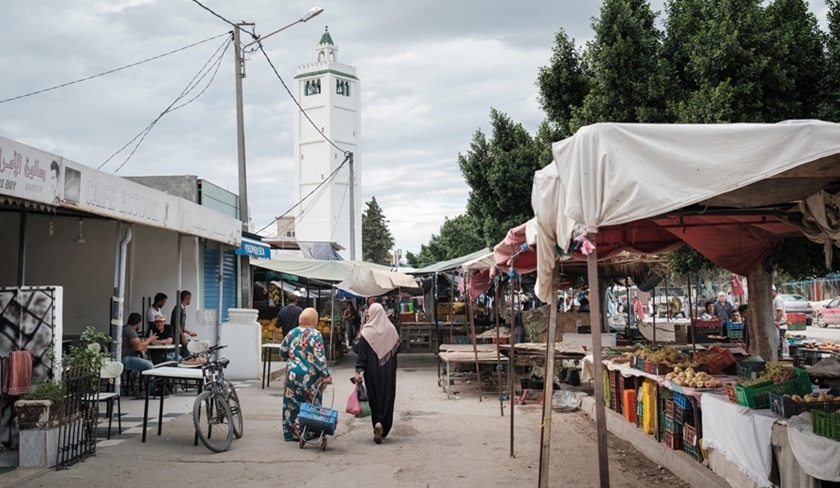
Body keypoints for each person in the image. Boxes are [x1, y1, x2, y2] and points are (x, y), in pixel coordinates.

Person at [278, 307, 332, 441]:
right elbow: (320, 357)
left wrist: (292, 356)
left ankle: (291, 433)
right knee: (310, 404)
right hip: (310, 377)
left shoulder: (292, 333)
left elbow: (281, 351)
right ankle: (308, 431)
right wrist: (326, 375)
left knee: (292, 404)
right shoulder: (316, 334)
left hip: (292, 375)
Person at [354, 303, 401, 444]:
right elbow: (398, 348)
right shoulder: (391, 329)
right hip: (388, 371)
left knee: (374, 396)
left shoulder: (366, 332)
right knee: (387, 395)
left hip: (372, 371)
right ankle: (383, 424)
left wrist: (358, 371)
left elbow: (361, 355)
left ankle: (376, 422)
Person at [170, 290, 197, 357]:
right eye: (190, 299)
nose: (190, 301)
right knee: (186, 355)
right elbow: (176, 324)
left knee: (186, 354)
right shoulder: (178, 309)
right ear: (187, 298)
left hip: (180, 337)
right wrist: (183, 337)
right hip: (176, 337)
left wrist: (188, 332)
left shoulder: (182, 309)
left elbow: (180, 325)